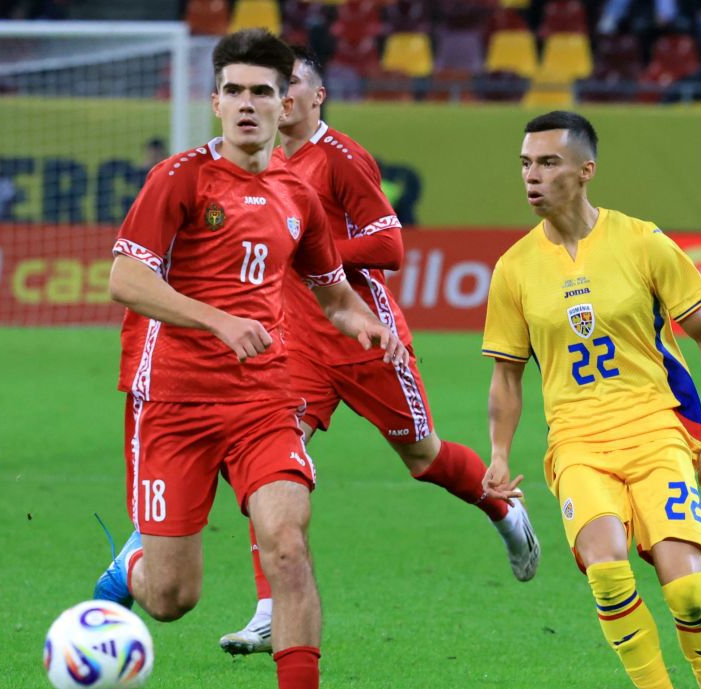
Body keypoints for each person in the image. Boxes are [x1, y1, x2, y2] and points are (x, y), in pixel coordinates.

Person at [92, 28, 407, 689]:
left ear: (283, 102)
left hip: (264, 397)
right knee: (173, 599)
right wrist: (218, 321)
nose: (246, 103)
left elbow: (331, 290)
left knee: (287, 543)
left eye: (261, 91)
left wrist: (362, 323)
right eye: (232, 90)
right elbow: (125, 280)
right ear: (214, 101)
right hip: (173, 403)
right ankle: (135, 564)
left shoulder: (300, 193)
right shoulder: (179, 178)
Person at [218, 46, 539, 657]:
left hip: (365, 338)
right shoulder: (263, 163)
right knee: (264, 463)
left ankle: (502, 508)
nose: (281, 95)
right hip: (297, 346)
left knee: (424, 457)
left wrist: (314, 250)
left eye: (293, 84)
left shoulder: (341, 158)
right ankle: (269, 610)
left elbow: (389, 244)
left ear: (318, 97)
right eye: (274, 86)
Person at [481, 111, 701, 689]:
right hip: (577, 443)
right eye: (525, 163)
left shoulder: (643, 242)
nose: (531, 176)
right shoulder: (514, 268)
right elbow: (506, 376)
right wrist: (498, 454)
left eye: (547, 163)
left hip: (656, 432)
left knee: (687, 590)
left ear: (585, 171)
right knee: (607, 574)